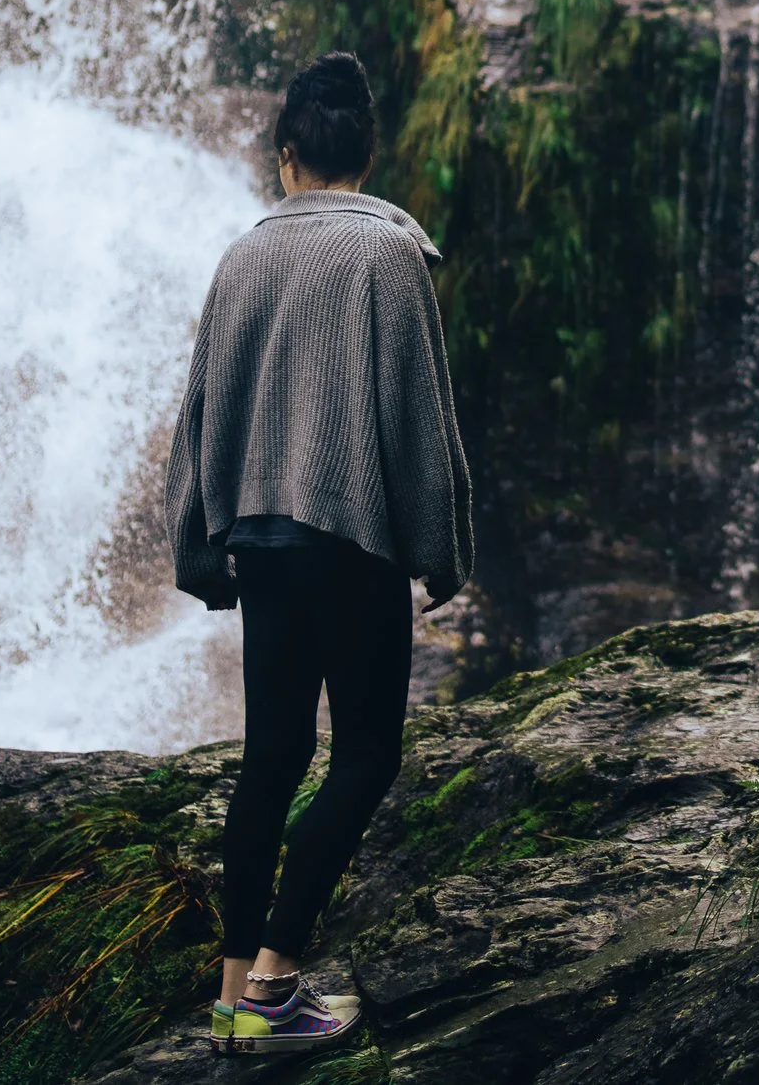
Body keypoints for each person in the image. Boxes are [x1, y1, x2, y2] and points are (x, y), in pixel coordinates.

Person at [166, 51, 474, 1056]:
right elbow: (421, 419)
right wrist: (440, 552)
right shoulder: (387, 255)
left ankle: (230, 1000)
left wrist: (201, 542)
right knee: (369, 753)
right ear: (368, 153)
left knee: (273, 757)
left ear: (285, 154)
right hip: (348, 541)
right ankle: (275, 978)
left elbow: (200, 411)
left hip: (258, 535)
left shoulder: (241, 258)